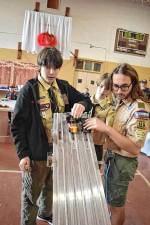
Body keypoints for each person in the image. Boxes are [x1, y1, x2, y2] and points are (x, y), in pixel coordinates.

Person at [11, 47, 92, 225]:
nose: (51, 72)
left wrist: (81, 104)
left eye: (55, 67)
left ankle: (46, 213)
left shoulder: (63, 87)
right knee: (31, 193)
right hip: (36, 154)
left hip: (59, 151)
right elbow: (17, 125)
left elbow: (87, 101)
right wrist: (23, 154)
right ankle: (28, 222)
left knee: (52, 187)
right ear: (39, 66)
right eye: (47, 67)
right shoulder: (29, 90)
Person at [84, 63, 150, 225]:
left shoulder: (139, 109)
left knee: (116, 207)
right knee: (110, 200)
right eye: (115, 86)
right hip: (111, 157)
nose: (119, 91)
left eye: (124, 87)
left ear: (133, 84)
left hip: (122, 163)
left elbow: (135, 148)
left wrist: (106, 128)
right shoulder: (118, 100)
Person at [91, 73, 113, 168]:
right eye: (101, 86)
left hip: (96, 145)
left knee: (94, 174)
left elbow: (109, 129)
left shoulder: (110, 108)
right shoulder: (84, 101)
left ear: (110, 91)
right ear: (97, 85)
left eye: (107, 89)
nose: (103, 90)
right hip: (81, 144)